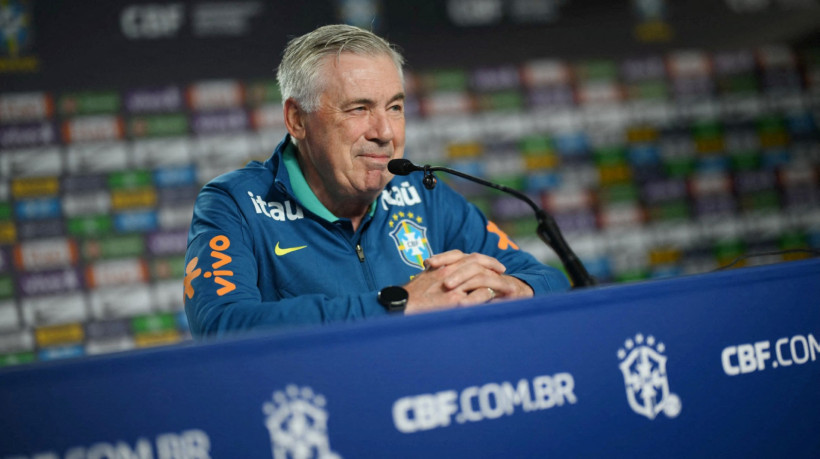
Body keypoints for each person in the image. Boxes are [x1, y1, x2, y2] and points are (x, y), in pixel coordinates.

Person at [183, 24, 570, 338]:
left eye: (395, 107)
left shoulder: (421, 193)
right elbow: (222, 325)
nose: (385, 132)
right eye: (359, 108)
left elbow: (547, 279)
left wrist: (511, 289)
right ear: (297, 119)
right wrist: (397, 304)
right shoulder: (234, 202)